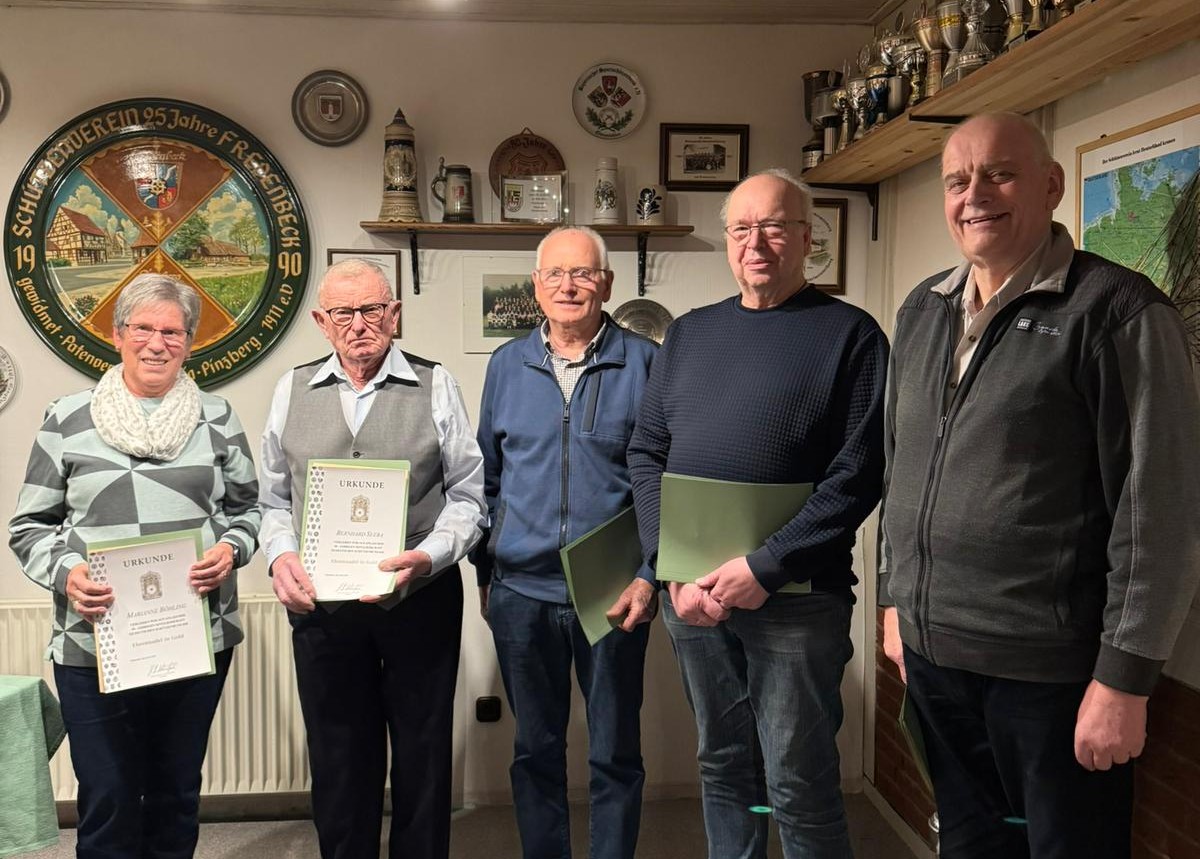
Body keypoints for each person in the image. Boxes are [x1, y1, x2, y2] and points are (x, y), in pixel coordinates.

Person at [878, 112, 1200, 859]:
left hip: (1050, 677)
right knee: (968, 845)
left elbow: (1159, 510)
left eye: (1000, 174)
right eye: (957, 181)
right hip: (933, 659)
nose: (975, 195)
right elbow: (902, 467)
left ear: (1051, 185)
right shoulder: (923, 307)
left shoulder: (1118, 310)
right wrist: (895, 598)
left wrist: (1125, 679)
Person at [628, 168, 889, 858]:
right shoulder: (688, 335)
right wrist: (668, 568)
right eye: (742, 228)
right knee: (722, 765)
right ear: (727, 240)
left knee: (798, 781)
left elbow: (858, 475)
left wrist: (766, 566)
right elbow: (646, 452)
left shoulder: (851, 335)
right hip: (693, 596)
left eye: (774, 226)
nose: (756, 242)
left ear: (806, 237)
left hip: (797, 600)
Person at [9, 273, 261, 859]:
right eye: (143, 328)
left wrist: (230, 550)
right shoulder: (67, 417)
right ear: (118, 334)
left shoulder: (217, 417)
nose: (157, 343)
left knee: (175, 793)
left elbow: (249, 511)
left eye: (172, 331)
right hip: (93, 644)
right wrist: (67, 573)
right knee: (109, 798)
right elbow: (30, 527)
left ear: (190, 342)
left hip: (194, 638)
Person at [258, 257, 486, 859]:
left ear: (395, 314)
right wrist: (280, 559)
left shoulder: (437, 384)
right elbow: (272, 500)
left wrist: (429, 556)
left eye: (372, 309)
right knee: (338, 755)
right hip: (323, 605)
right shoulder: (290, 390)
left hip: (420, 598)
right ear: (321, 321)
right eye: (343, 313)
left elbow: (469, 496)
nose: (358, 324)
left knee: (423, 752)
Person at [472, 226, 657, 859]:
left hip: (613, 592)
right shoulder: (507, 364)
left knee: (615, 751)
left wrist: (651, 574)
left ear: (606, 283)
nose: (568, 285)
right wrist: (485, 574)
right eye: (554, 273)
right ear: (536, 285)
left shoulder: (645, 362)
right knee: (535, 750)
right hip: (521, 593)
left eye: (582, 273)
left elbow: (663, 477)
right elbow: (488, 479)